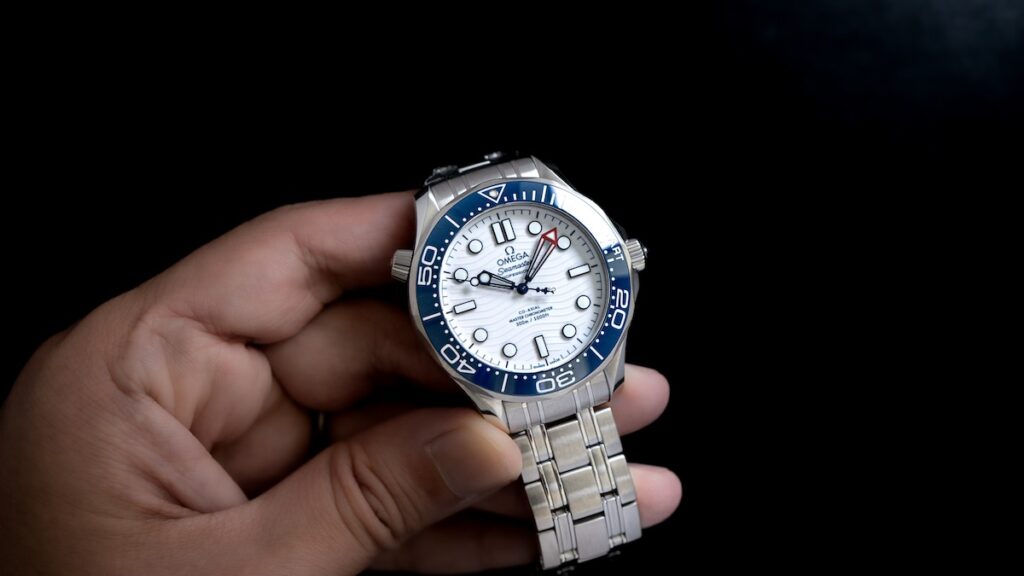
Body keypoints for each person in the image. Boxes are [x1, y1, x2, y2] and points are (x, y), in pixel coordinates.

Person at [0, 192, 681, 574]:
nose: (525, 291)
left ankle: (592, 527)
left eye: (529, 280)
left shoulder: (582, 268)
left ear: (621, 260)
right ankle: (585, 531)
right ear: (421, 289)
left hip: (577, 366)